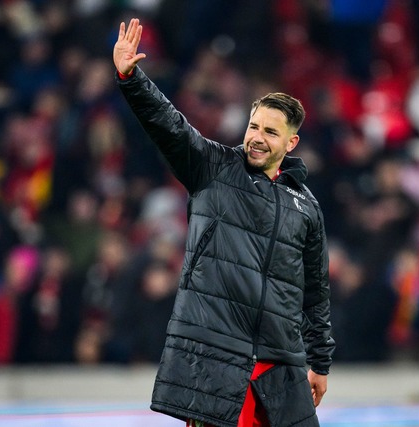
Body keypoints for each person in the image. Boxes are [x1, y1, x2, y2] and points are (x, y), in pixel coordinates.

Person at [113, 19, 335, 427]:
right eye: (254, 126)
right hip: (216, 360)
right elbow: (169, 125)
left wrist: (319, 362)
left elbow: (314, 293)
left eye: (270, 131)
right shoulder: (213, 167)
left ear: (291, 143)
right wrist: (131, 77)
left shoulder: (306, 206)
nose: (257, 137)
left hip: (281, 367)